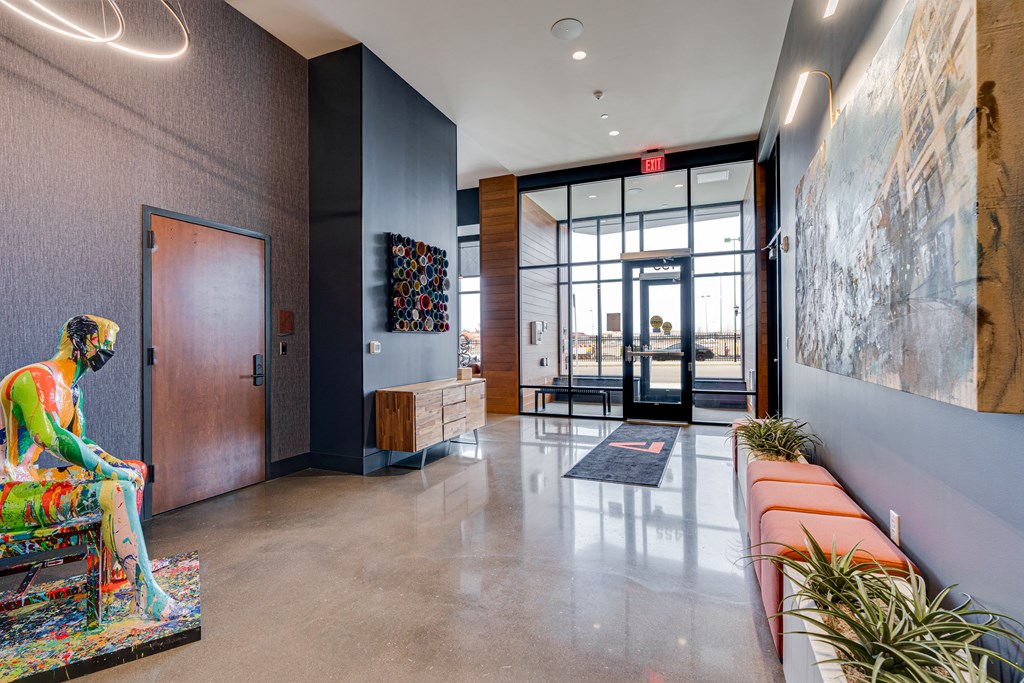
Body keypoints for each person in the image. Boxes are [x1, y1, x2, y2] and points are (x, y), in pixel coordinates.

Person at [0, 315, 181, 620]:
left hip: (28, 480)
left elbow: (81, 440)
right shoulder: (35, 379)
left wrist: (117, 464)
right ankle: (146, 592)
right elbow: (50, 437)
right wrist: (110, 472)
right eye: (103, 342)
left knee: (135, 469)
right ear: (79, 341)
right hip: (8, 491)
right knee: (119, 487)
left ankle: (119, 563)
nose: (107, 350)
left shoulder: (72, 392)